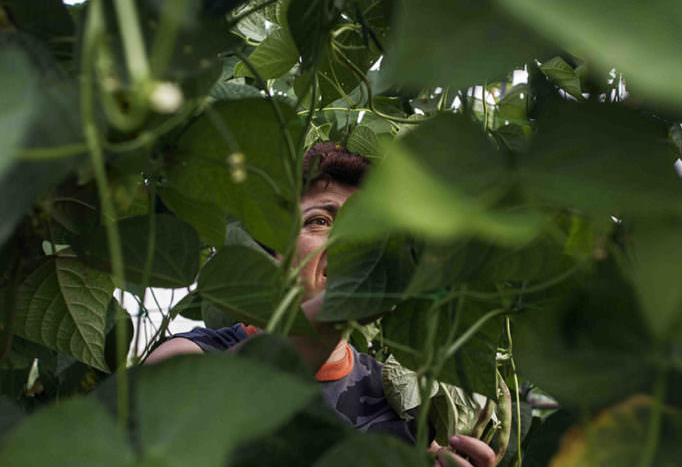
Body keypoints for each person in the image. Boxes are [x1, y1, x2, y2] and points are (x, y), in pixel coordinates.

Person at [146, 143, 495, 467]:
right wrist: (349, 298)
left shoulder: (397, 400)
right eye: (321, 222)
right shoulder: (194, 356)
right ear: (272, 252)